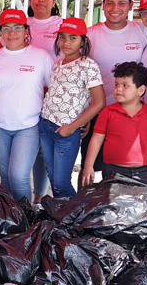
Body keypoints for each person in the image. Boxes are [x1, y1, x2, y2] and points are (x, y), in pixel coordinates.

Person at [80, 0, 147, 188]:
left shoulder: (143, 31)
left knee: (123, 169)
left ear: (130, 6)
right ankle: (85, 211)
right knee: (90, 166)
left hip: (131, 113)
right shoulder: (90, 34)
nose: (115, 8)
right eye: (110, 3)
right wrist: (84, 113)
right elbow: (79, 74)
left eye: (121, 3)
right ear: (102, 5)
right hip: (97, 111)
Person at [0, 9, 53, 202]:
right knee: (5, 176)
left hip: (28, 125)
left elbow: (54, 89)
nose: (12, 33)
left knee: (18, 177)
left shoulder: (41, 56)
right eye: (6, 28)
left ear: (26, 30)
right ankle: (11, 219)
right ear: (1, 31)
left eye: (17, 27)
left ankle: (26, 221)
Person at [39, 17, 105, 197]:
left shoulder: (88, 66)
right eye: (62, 37)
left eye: (73, 38)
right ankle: (62, 218)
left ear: (83, 41)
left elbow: (99, 102)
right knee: (53, 178)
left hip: (66, 131)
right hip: (46, 125)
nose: (66, 42)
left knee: (61, 183)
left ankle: (75, 219)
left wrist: (73, 127)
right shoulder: (58, 63)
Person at [82, 61, 147, 199]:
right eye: (117, 84)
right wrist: (88, 165)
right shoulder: (107, 112)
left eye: (125, 85)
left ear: (141, 90)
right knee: (114, 211)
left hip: (145, 172)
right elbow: (97, 139)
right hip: (113, 171)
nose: (119, 89)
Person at [27, 0, 63, 203]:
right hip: (29, 95)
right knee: (37, 148)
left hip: (59, 97)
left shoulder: (63, 25)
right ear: (30, 0)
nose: (41, 0)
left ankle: (60, 198)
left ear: (54, 1)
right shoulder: (22, 25)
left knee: (56, 148)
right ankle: (38, 199)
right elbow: (0, 50)